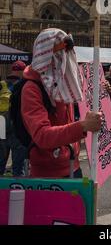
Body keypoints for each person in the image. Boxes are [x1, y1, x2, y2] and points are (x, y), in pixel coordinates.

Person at [21, 28, 103, 178]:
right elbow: (42, 136)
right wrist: (83, 126)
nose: (65, 60)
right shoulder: (32, 89)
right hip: (48, 175)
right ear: (45, 56)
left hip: (73, 164)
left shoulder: (64, 84)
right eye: (60, 55)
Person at [0, 61, 28, 176]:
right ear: (23, 71)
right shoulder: (25, 85)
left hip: (2, 126)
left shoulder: (2, 84)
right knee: (18, 166)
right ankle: (17, 188)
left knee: (1, 162)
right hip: (17, 126)